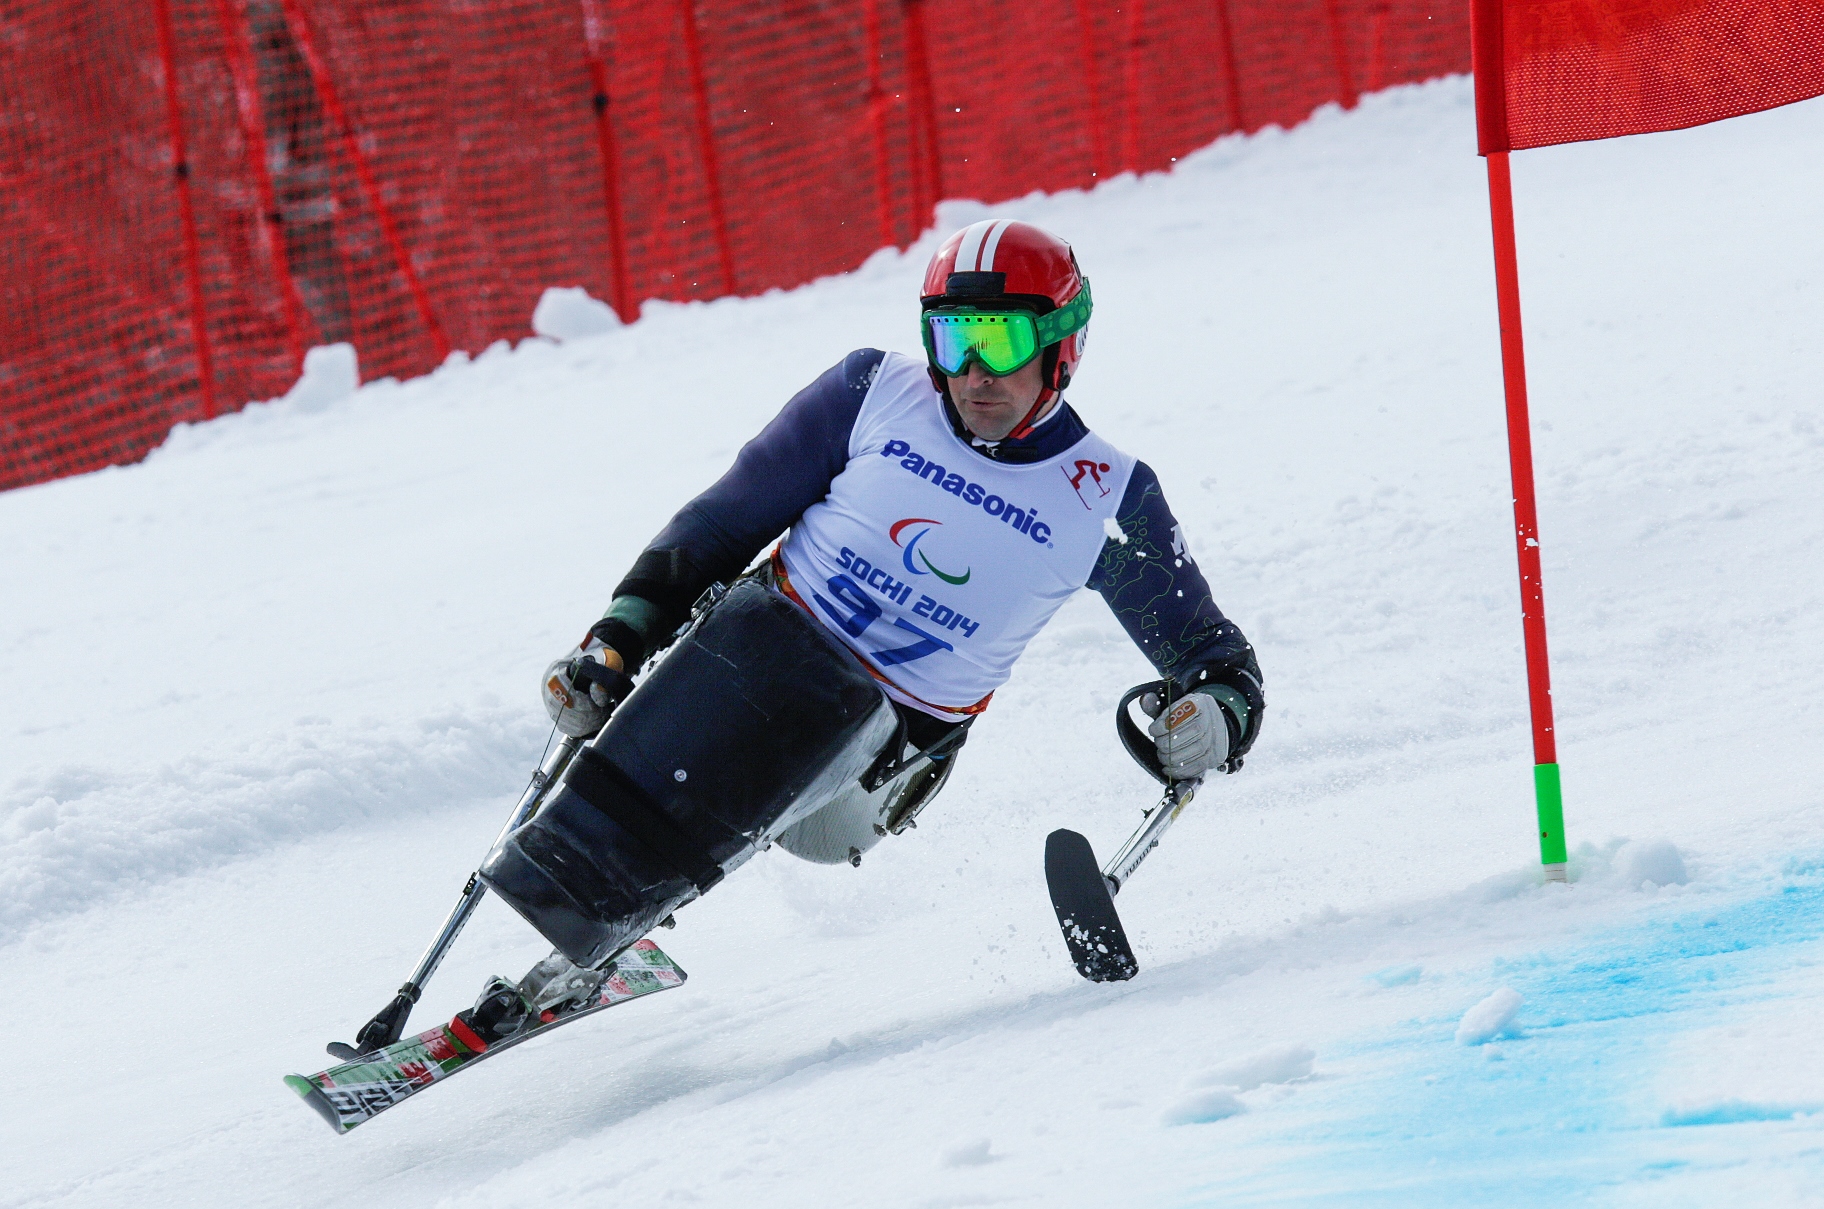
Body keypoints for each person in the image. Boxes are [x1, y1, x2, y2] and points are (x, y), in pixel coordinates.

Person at [469, 220, 1263, 1036]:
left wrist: (1214, 717)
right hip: (745, 665)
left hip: (873, 770)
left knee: (802, 686)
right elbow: (718, 525)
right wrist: (616, 641)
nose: (975, 372)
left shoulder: (1104, 497)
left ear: (1062, 347)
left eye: (1002, 339)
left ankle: (594, 914)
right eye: (954, 341)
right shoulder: (872, 393)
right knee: (758, 637)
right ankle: (561, 895)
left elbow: (1216, 661)